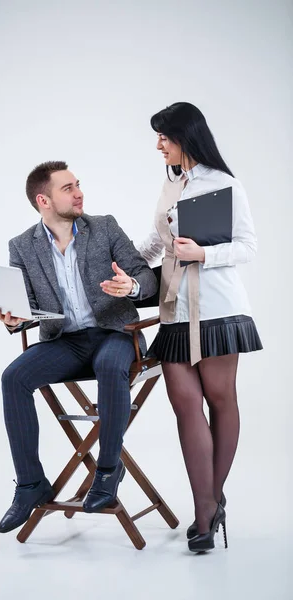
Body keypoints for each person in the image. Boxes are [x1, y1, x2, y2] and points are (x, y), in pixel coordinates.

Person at [0, 160, 158, 533]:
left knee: (111, 367)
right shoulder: (22, 246)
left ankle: (108, 470)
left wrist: (134, 287)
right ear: (43, 200)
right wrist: (15, 319)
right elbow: (27, 305)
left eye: (78, 184)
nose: (79, 193)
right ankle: (30, 484)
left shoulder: (104, 226)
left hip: (116, 333)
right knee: (13, 378)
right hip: (66, 341)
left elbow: (145, 276)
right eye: (68, 188)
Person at [137, 103, 262, 553]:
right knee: (186, 406)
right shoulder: (170, 184)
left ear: (184, 137)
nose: (158, 146)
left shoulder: (225, 184)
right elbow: (156, 242)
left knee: (219, 399)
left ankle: (205, 511)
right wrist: (126, 271)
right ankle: (210, 502)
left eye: (163, 138)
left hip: (217, 307)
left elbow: (247, 247)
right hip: (175, 312)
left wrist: (204, 255)